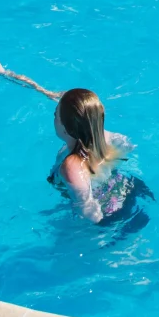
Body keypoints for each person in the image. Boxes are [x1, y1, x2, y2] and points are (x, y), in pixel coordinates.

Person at [49, 88, 136, 224]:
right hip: (131, 192)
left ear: (66, 129)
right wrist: (6, 74)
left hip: (110, 218)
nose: (53, 118)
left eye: (55, 115)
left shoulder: (72, 167)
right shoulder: (113, 139)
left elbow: (88, 210)